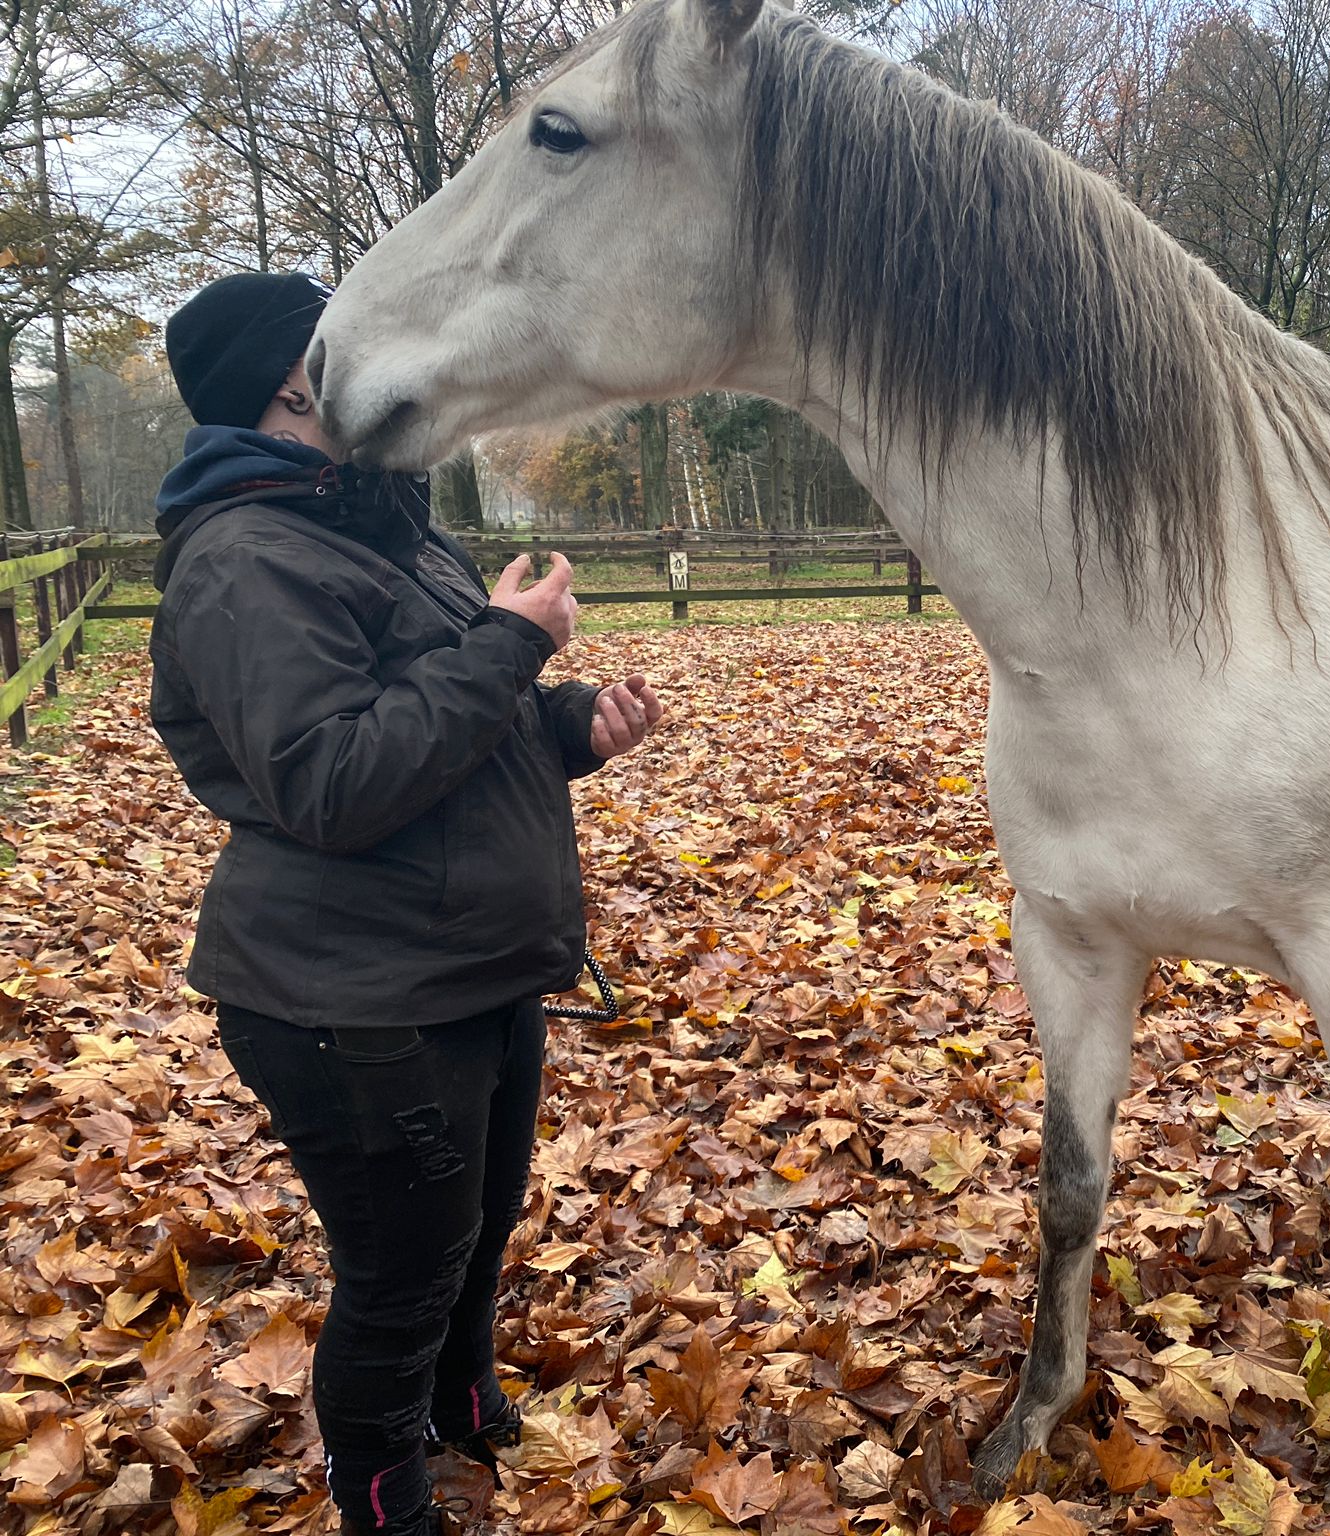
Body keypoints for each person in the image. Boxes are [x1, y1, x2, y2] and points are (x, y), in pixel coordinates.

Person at [148, 271, 664, 1536]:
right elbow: (331, 779)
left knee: (476, 1229)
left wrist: (565, 720)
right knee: (400, 1269)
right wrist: (509, 647)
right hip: (351, 1001)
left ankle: (458, 1397)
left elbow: (442, 716)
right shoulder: (243, 562)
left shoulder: (382, 526)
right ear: (290, 383)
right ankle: (383, 1497)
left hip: (466, 967)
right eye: (349, 342)